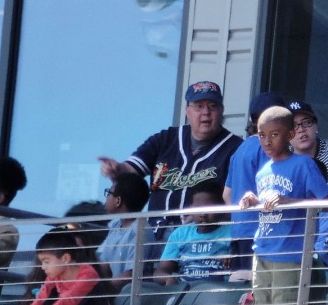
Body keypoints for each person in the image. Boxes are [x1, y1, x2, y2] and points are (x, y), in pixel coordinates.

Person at [98, 80, 243, 237]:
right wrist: (117, 169)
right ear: (188, 110)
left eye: (212, 106)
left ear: (221, 111)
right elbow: (131, 171)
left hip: (201, 236)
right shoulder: (165, 139)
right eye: (199, 106)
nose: (206, 112)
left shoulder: (236, 148)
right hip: (154, 234)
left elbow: (236, 200)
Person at [239, 106, 328, 305]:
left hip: (290, 255)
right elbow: (268, 204)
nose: (267, 141)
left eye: (274, 135)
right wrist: (252, 199)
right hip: (261, 252)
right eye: (262, 135)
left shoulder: (303, 164)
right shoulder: (262, 171)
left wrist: (288, 200)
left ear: (290, 135)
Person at [223, 91, 286, 279]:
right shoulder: (267, 148)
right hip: (264, 234)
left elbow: (227, 195)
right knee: (261, 296)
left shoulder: (241, 149)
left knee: (242, 297)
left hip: (239, 233)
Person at [0, 228, 112, 305]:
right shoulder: (53, 278)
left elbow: (69, 301)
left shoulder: (88, 277)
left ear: (66, 258)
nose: (43, 267)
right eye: (42, 262)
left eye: (46, 262)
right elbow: (38, 303)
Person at [154, 180, 232, 284]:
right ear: (190, 208)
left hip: (218, 292)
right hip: (184, 292)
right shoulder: (180, 234)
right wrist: (167, 278)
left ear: (221, 208)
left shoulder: (232, 232)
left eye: (209, 208)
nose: (203, 214)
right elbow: (161, 271)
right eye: (198, 208)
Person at [96, 172, 159, 292]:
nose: (106, 197)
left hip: (132, 300)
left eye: (109, 193)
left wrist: (99, 289)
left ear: (118, 201)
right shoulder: (115, 225)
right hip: (112, 294)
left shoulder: (140, 231)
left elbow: (130, 275)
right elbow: (104, 265)